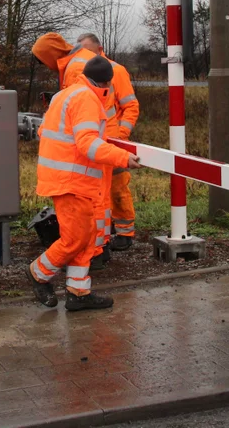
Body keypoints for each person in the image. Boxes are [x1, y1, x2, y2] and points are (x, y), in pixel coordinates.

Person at [28, 56, 141, 311]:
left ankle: (78, 292)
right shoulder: (88, 99)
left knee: (86, 236)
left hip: (67, 178)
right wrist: (123, 157)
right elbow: (87, 143)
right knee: (76, 239)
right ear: (107, 84)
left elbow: (43, 131)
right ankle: (38, 273)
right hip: (72, 181)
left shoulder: (65, 94)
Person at [31, 32, 113, 262]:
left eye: (42, 59)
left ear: (51, 55)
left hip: (90, 142)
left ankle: (94, 251)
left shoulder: (76, 68)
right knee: (97, 197)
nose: (43, 65)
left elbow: (79, 107)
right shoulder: (78, 62)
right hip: (96, 137)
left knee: (92, 199)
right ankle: (94, 250)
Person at [77, 33, 140, 251]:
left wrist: (121, 135)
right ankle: (106, 230)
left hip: (112, 141)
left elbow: (130, 106)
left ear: (99, 48)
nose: (84, 55)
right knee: (97, 190)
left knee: (117, 188)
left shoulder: (116, 71)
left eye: (87, 50)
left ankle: (125, 232)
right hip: (93, 141)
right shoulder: (83, 75)